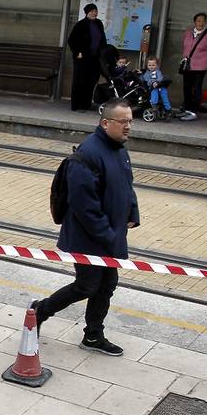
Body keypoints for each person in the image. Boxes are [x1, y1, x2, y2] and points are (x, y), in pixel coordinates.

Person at [31, 99, 140, 356]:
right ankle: (40, 311)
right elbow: (84, 205)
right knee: (87, 285)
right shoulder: (87, 155)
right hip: (89, 237)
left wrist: (132, 213)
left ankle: (93, 336)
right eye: (123, 122)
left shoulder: (119, 150)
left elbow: (127, 187)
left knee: (106, 286)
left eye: (130, 122)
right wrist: (108, 235)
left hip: (110, 235)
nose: (128, 127)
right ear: (106, 123)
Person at [66, 3, 106, 112]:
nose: (94, 13)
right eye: (92, 11)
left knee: (91, 81)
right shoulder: (81, 24)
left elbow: (102, 39)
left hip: (95, 58)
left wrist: (103, 52)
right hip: (82, 58)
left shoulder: (99, 23)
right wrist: (77, 52)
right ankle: (77, 105)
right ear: (87, 12)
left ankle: (86, 103)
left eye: (95, 11)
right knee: (80, 80)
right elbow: (72, 40)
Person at [179, 12, 207, 115]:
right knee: (186, 87)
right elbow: (184, 46)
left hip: (201, 67)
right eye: (198, 21)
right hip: (188, 65)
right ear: (194, 22)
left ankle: (194, 109)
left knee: (197, 88)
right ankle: (187, 107)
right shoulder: (188, 33)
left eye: (203, 21)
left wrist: (205, 60)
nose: (201, 23)